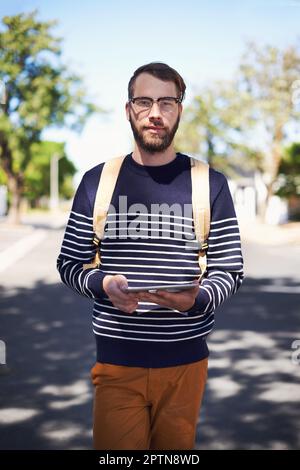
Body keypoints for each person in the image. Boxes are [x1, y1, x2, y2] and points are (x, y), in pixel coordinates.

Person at [57, 62, 244, 450]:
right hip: (117, 362)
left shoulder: (210, 183)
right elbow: (70, 263)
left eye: (166, 102)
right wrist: (103, 284)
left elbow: (229, 268)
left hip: (186, 365)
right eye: (144, 102)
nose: (155, 113)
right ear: (129, 110)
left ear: (179, 109)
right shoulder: (97, 181)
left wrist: (200, 298)